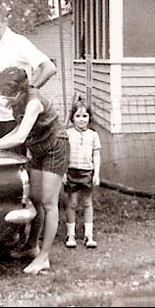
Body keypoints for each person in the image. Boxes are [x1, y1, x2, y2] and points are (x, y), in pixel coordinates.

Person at [0, 66, 69, 275]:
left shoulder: (33, 103)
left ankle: (44, 257)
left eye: (6, 95)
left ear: (19, 91)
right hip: (38, 147)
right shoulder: (20, 102)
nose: (4, 99)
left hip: (56, 147)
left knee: (48, 203)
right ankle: (31, 247)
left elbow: (20, 137)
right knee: (36, 199)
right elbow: (17, 129)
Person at [0, 5, 57, 154]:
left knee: (13, 166)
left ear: (6, 22)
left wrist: (28, 92)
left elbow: (49, 68)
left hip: (14, 117)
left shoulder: (19, 42)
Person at [63, 99, 101, 249]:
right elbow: (64, 155)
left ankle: (88, 235)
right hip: (72, 171)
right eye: (78, 116)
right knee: (72, 203)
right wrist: (63, 172)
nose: (81, 119)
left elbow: (96, 155)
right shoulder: (67, 134)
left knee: (87, 203)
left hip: (87, 172)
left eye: (85, 116)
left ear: (90, 118)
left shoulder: (93, 135)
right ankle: (70, 235)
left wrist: (96, 173)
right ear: (72, 118)